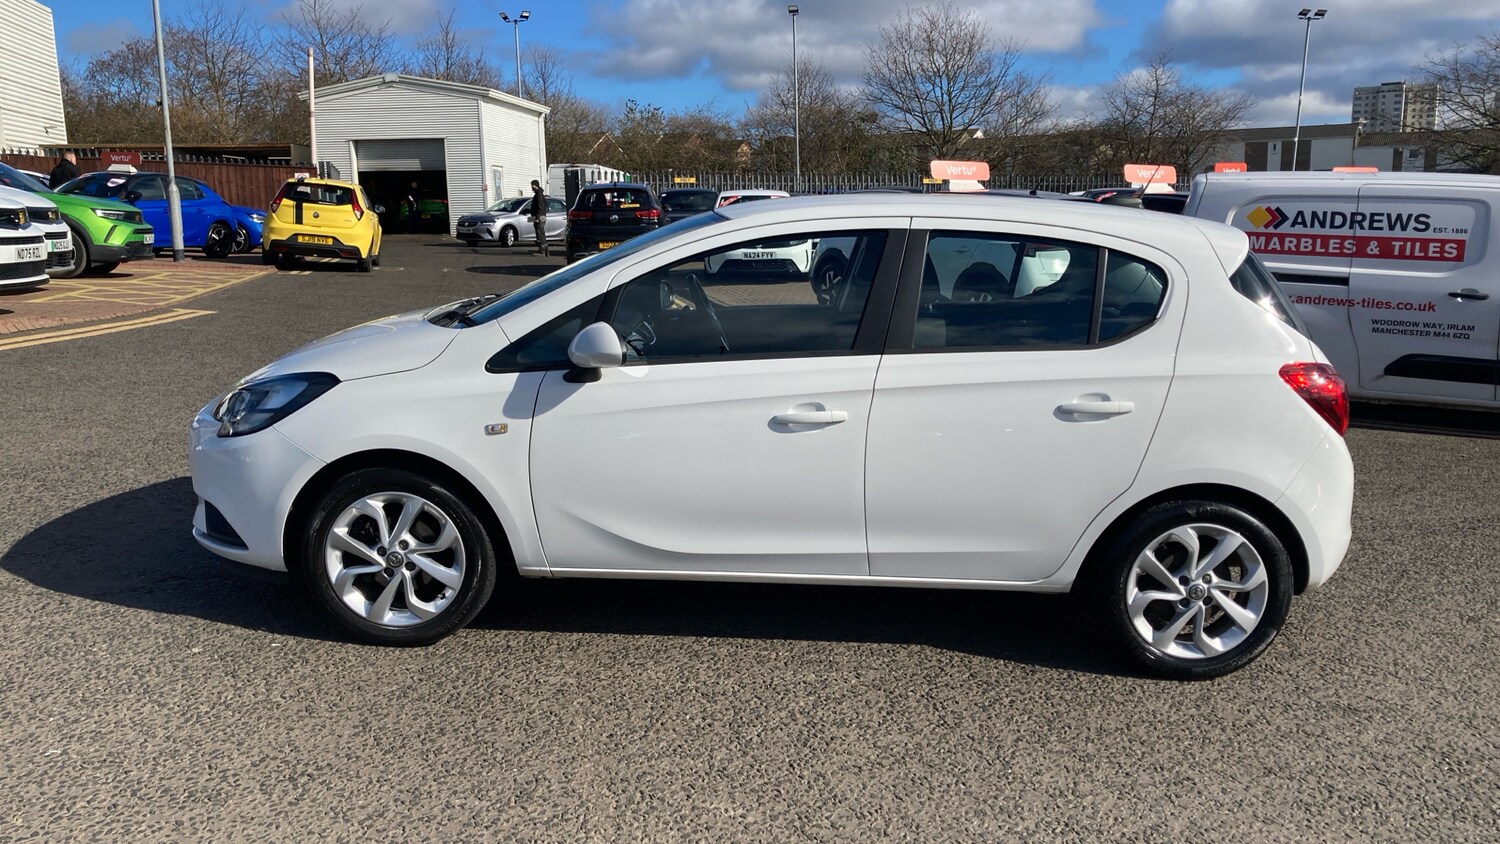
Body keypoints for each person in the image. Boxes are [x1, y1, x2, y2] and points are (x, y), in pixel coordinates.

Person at [528, 179, 549, 256]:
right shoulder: (539, 193)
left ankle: (542, 251)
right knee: (542, 233)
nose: (531, 187)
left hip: (539, 217)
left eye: (532, 185)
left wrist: (537, 217)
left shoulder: (539, 194)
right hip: (541, 216)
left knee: (539, 233)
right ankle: (546, 250)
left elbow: (540, 207)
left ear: (535, 185)